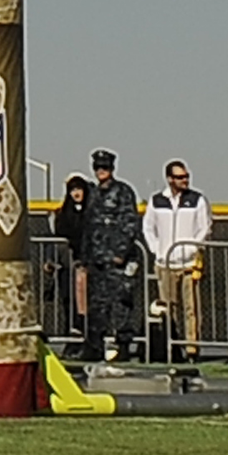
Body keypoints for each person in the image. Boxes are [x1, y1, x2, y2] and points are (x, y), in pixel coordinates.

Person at [70, 152, 146, 362]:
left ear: (112, 169)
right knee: (97, 306)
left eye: (104, 167)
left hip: (116, 261)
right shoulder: (92, 193)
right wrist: (84, 258)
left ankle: (123, 347)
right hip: (96, 259)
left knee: (121, 303)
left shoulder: (123, 192)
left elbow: (130, 224)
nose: (101, 171)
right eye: (98, 167)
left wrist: (120, 254)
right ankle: (94, 346)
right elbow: (88, 225)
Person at [143, 164, 211, 362]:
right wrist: (158, 250)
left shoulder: (197, 200)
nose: (185, 181)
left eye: (186, 176)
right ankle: (171, 347)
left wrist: (191, 248)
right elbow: (148, 227)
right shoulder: (156, 200)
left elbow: (204, 228)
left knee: (191, 308)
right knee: (167, 309)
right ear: (169, 179)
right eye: (180, 177)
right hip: (165, 264)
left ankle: (192, 349)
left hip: (189, 263)